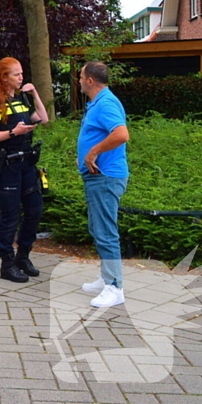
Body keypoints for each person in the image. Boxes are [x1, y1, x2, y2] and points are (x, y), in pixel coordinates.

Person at [0, 58, 49, 283]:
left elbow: (43, 118)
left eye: (22, 74)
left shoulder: (21, 99)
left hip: (27, 164)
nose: (21, 78)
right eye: (16, 74)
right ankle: (6, 263)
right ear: (4, 78)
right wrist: (13, 133)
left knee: (35, 210)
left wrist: (35, 94)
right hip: (8, 166)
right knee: (10, 216)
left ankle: (23, 256)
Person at [77, 61, 130, 308]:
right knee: (97, 229)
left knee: (106, 232)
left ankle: (114, 288)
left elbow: (121, 134)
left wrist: (92, 153)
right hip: (100, 176)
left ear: (90, 80)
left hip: (105, 176)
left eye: (80, 76)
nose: (78, 80)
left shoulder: (106, 103)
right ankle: (107, 277)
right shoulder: (100, 102)